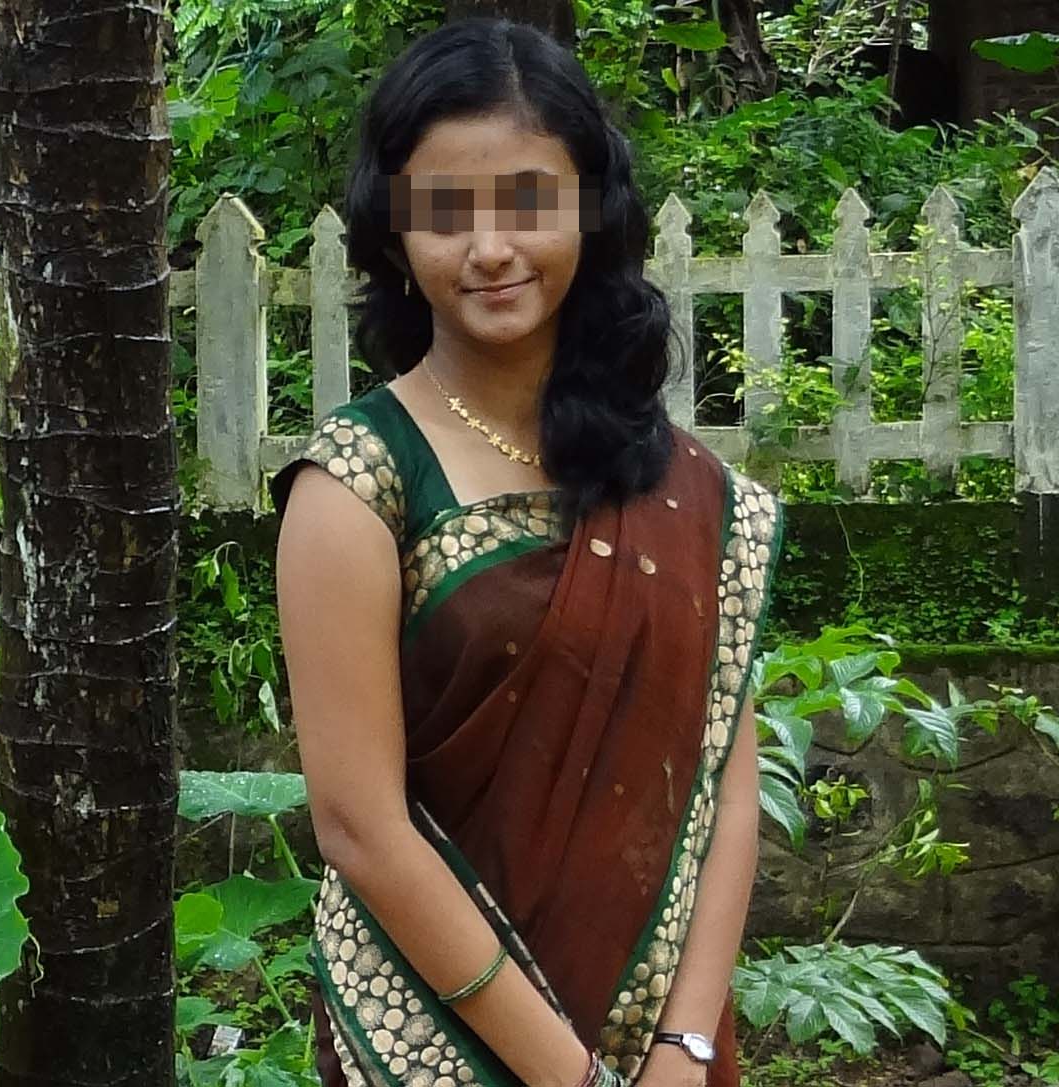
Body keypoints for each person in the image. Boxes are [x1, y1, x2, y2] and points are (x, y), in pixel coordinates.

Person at [271, 17, 785, 1087]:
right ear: (394, 235)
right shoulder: (359, 484)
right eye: (445, 212)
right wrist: (570, 1076)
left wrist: (683, 1047)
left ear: (589, 209)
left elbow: (723, 792)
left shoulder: (682, 487)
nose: (490, 248)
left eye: (525, 201)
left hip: (666, 1046)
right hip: (430, 1043)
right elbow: (361, 828)